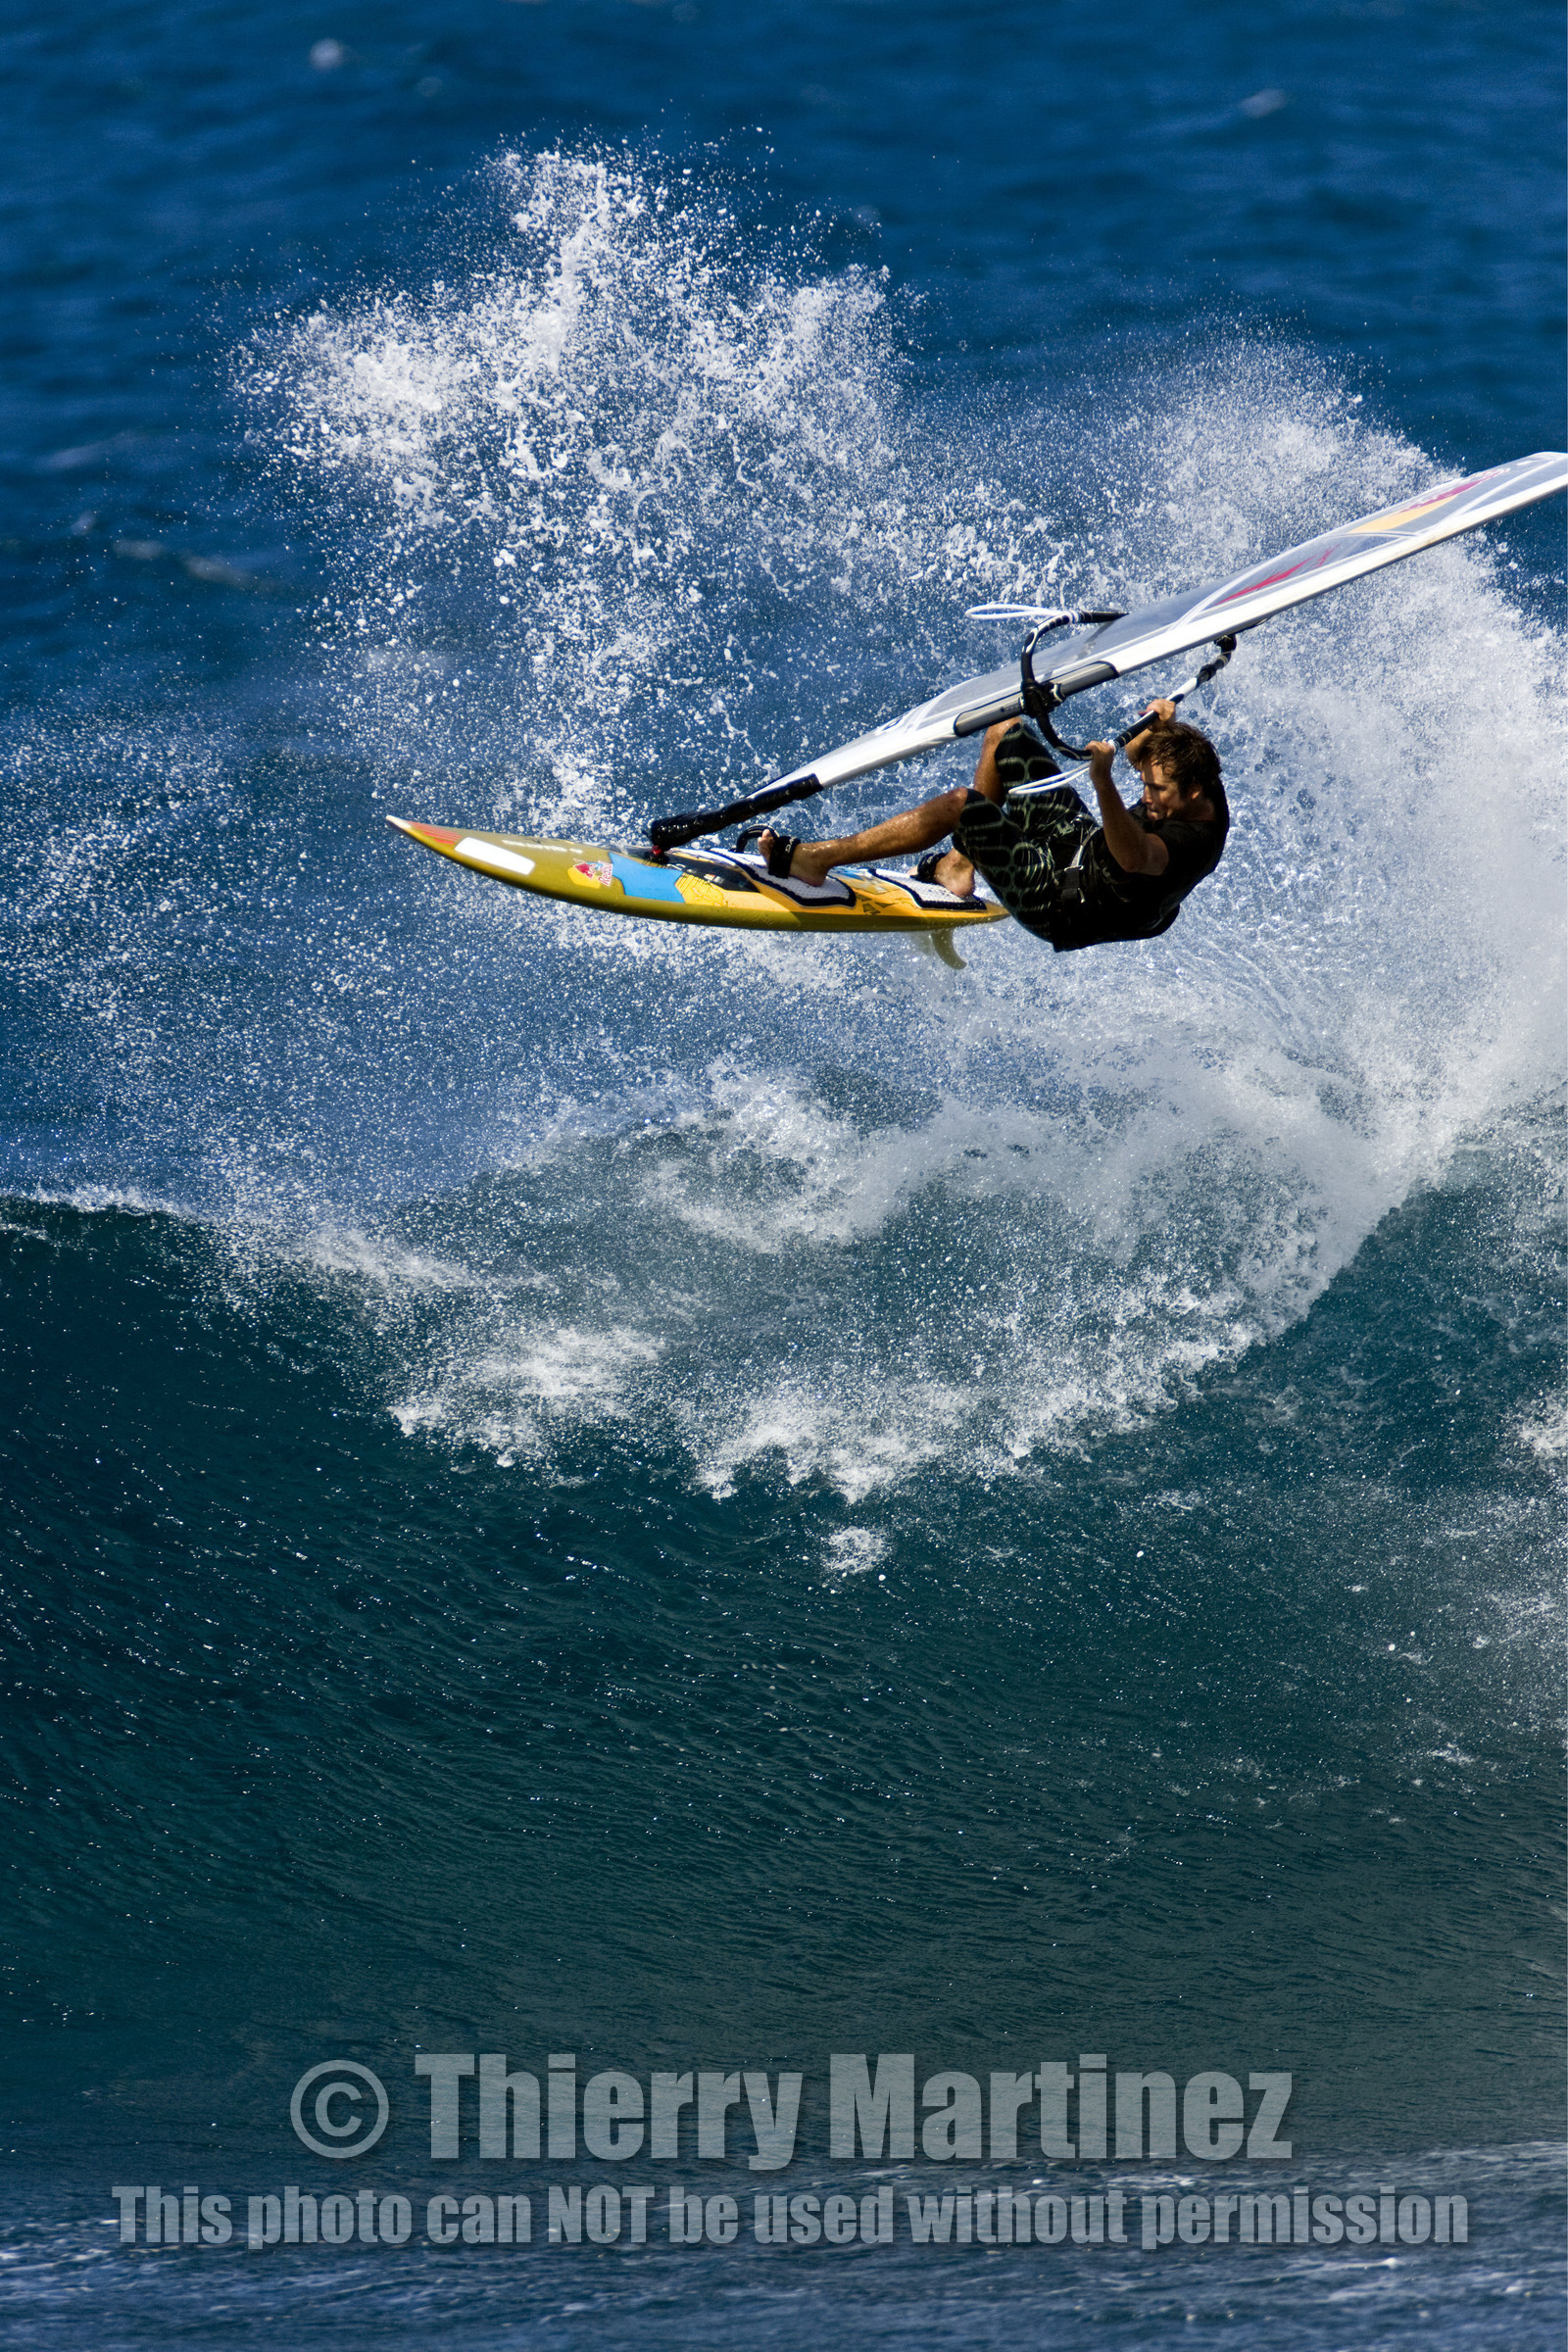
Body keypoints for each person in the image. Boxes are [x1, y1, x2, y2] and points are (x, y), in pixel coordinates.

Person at [752, 699, 1230, 952]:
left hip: (1065, 903)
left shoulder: (1192, 841)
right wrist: (1161, 723)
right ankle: (959, 866)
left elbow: (1135, 856)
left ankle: (816, 859)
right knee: (1006, 730)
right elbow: (1136, 754)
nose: (1146, 795)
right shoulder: (1191, 777)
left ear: (1193, 792)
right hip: (1081, 850)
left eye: (1158, 791)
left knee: (962, 806)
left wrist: (1103, 782)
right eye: (1145, 784)